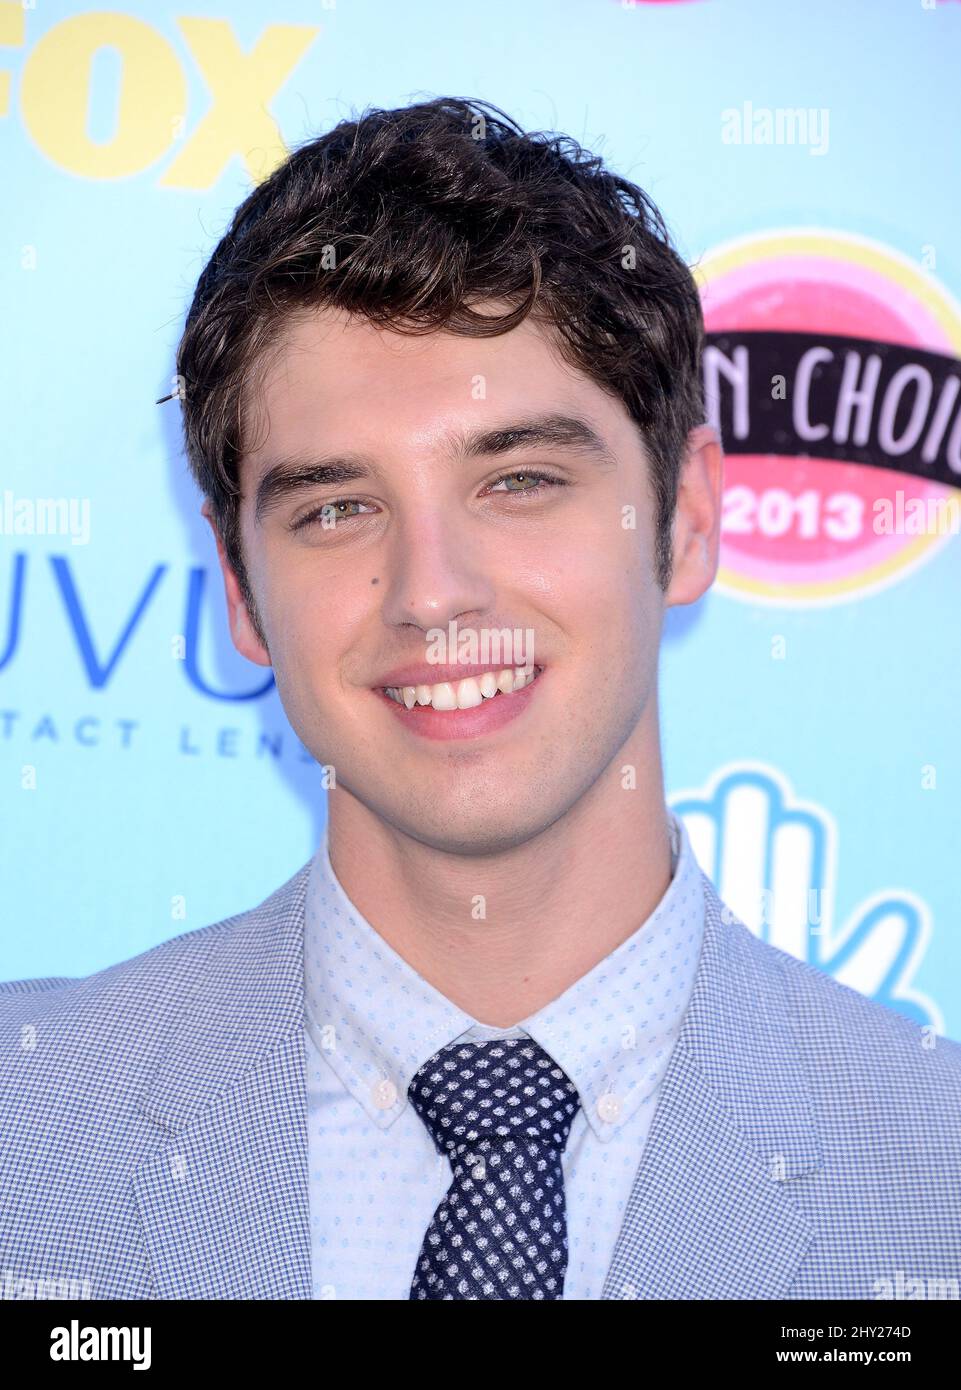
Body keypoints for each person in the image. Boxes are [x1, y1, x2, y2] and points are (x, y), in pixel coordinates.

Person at [2, 97, 959, 1302]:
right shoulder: (20, 1133)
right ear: (239, 589)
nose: (432, 594)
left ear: (688, 518)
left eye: (518, 479)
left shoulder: (936, 1176)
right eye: (335, 509)